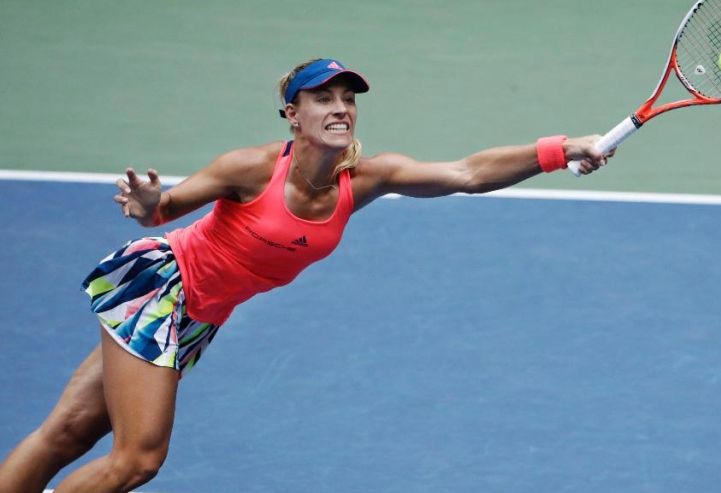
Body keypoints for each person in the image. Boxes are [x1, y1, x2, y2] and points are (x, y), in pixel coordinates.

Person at [0, 58, 611, 493]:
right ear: (293, 114)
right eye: (323, 98)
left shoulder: (367, 179)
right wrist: (145, 199)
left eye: (347, 98)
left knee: (70, 431)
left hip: (199, 316)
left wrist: (564, 147)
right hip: (162, 292)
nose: (340, 107)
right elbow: (158, 211)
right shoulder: (250, 167)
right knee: (137, 460)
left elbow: (468, 173)